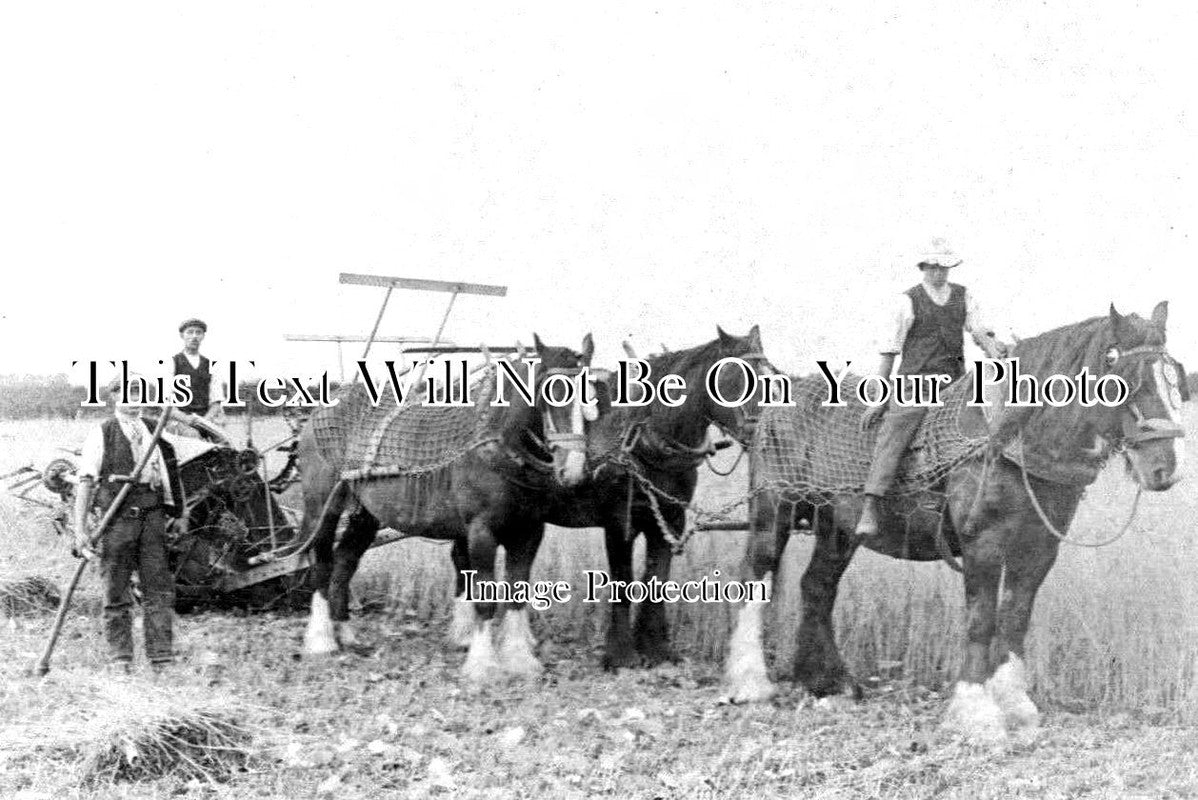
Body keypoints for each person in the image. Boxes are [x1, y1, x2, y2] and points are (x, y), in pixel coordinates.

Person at [855, 239, 1010, 538]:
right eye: (934, 267)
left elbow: (979, 330)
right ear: (923, 267)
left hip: (954, 383)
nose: (940, 273)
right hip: (914, 383)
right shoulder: (907, 301)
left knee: (976, 428)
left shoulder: (964, 296)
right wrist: (879, 399)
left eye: (944, 267)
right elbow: (889, 351)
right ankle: (871, 504)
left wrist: (994, 348)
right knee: (897, 428)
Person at [74, 376, 184, 671]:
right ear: (114, 397)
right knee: (116, 590)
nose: (135, 398)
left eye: (140, 392)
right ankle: (121, 658)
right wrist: (80, 530)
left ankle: (161, 657)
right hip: (118, 520)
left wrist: (176, 512)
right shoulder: (102, 433)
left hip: (152, 520)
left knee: (158, 589)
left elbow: (167, 472)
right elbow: (85, 482)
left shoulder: (153, 430)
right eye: (128, 392)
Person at [173, 318, 225, 427]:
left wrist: (204, 421)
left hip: (205, 421)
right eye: (190, 332)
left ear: (203, 336)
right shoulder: (172, 362)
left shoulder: (210, 365)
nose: (194, 336)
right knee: (193, 438)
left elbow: (216, 401)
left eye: (198, 332)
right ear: (182, 335)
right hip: (178, 420)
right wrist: (185, 419)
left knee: (226, 442)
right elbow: (164, 401)